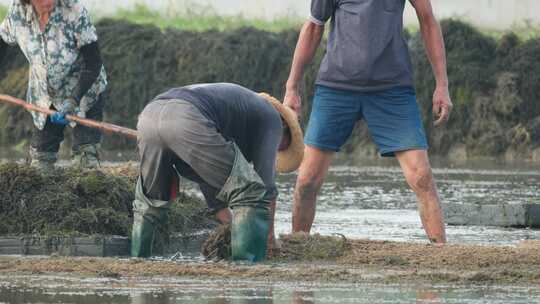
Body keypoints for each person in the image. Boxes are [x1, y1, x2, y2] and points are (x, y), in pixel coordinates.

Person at [284, 0, 452, 244]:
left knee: (422, 176)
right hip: (336, 87)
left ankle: (442, 254)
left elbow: (427, 21)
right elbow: (313, 27)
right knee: (307, 179)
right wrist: (292, 87)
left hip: (391, 88)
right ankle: (298, 245)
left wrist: (442, 85)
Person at [132, 83, 303, 262]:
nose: (276, 150)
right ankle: (247, 273)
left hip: (149, 117)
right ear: (284, 126)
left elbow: (207, 177)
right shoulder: (272, 119)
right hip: (186, 116)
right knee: (251, 191)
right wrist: (269, 240)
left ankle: (138, 263)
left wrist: (232, 229)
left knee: (150, 202)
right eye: (281, 145)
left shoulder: (236, 111)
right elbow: (265, 186)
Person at [0, 0, 107, 169]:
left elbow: (94, 63)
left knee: (86, 164)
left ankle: (87, 162)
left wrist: (73, 100)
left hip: (84, 93)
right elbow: (3, 44)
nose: (48, 1)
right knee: (40, 164)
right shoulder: (18, 13)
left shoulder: (74, 11)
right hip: (45, 97)